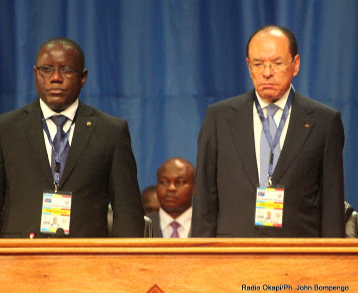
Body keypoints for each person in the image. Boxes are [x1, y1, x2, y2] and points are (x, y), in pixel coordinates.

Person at [0, 38, 145, 238]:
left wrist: (125, 265)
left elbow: (127, 210)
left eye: (66, 70)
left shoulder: (111, 131)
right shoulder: (5, 129)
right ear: (35, 74)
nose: (55, 78)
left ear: (83, 77)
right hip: (20, 259)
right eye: (47, 69)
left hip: (86, 260)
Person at [192, 25, 345, 238]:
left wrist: (330, 265)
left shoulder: (324, 121)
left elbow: (332, 204)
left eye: (277, 63)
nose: (267, 73)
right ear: (248, 66)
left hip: (298, 256)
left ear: (296, 64)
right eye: (258, 64)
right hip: (232, 255)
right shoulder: (220, 117)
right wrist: (199, 260)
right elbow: (204, 200)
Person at [148, 158, 195, 238]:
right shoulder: (141, 226)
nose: (171, 188)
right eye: (164, 182)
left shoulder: (210, 227)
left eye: (179, 182)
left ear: (194, 188)